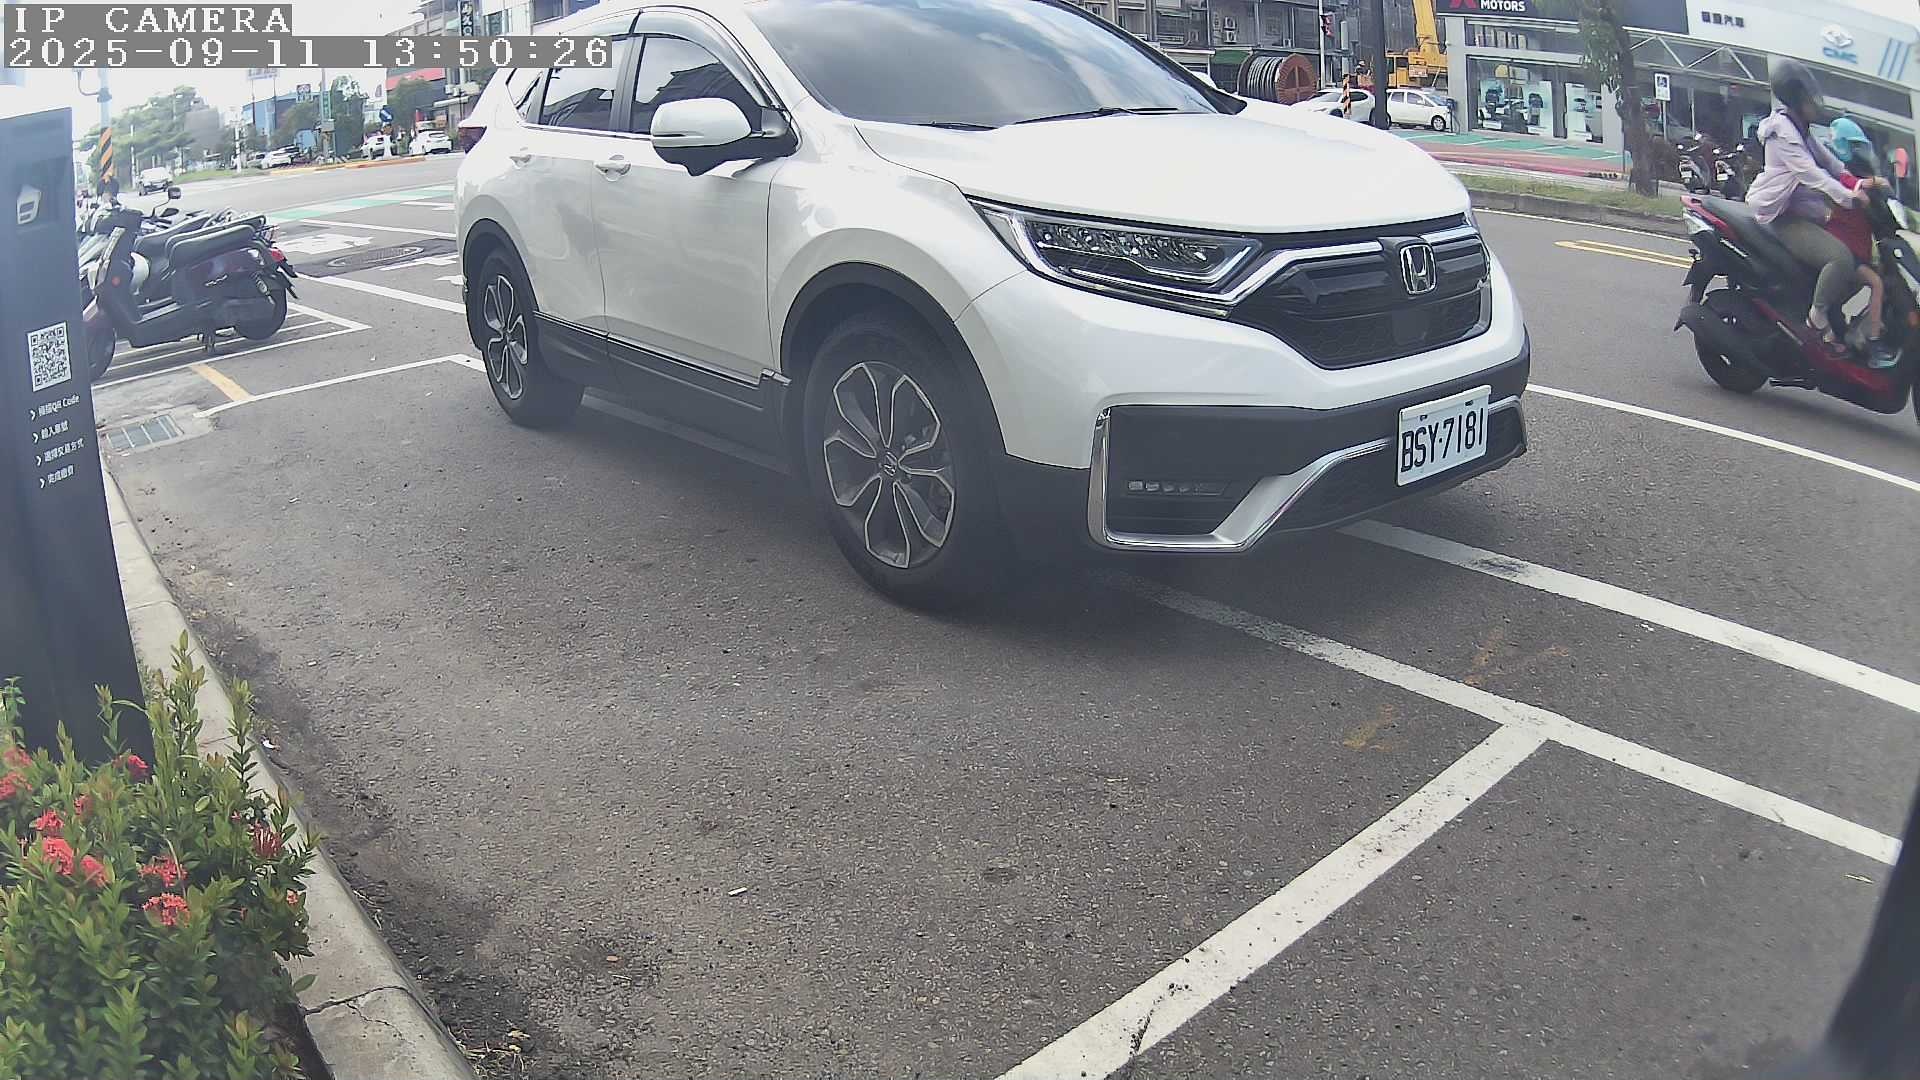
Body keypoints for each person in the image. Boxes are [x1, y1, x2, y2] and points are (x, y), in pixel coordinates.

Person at [1745, 61, 1883, 353]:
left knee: (1861, 264)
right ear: (1796, 99)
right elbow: (1812, 174)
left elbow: (1832, 164)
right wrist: (1850, 198)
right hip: (1783, 215)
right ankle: (1816, 321)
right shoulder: (1783, 133)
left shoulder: (1801, 129)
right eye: (1809, 97)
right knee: (1841, 259)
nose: (1815, 103)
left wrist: (1861, 183)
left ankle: (1832, 318)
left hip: (1805, 211)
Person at [1821, 118, 1896, 367]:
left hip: (1856, 250)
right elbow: (1848, 186)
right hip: (1842, 248)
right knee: (1876, 283)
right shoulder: (1842, 175)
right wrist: (1874, 183)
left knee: (1869, 283)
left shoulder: (1861, 177)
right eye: (1855, 147)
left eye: (1861, 147)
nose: (1860, 152)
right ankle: (1873, 342)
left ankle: (1842, 334)